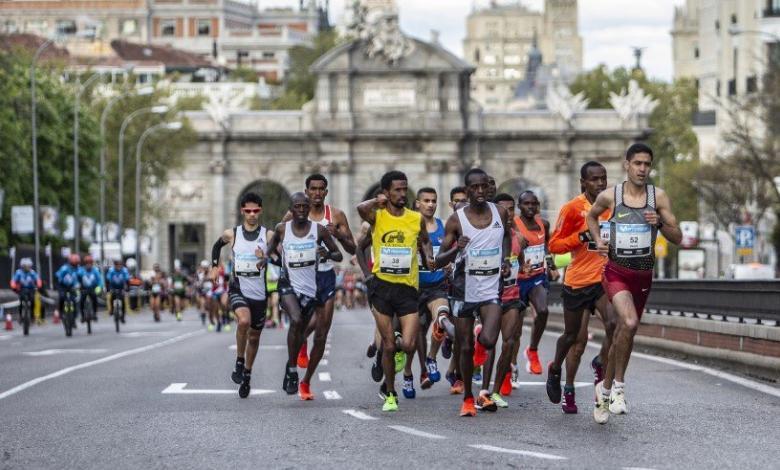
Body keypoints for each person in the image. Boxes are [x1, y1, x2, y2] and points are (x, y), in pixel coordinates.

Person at [586, 143, 682, 424]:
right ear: (626, 164)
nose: (642, 169)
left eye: (647, 165)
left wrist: (661, 225)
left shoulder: (658, 198)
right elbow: (591, 216)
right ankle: (618, 389)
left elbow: (678, 237)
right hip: (616, 272)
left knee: (625, 332)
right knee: (627, 323)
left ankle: (603, 390)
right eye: (637, 163)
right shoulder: (611, 195)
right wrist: (598, 240)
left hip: (643, 274)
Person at [436, 168, 513, 416]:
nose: (480, 191)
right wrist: (456, 249)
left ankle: (480, 340)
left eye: (484, 187)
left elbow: (506, 236)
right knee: (465, 346)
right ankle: (468, 397)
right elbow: (439, 260)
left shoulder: (499, 211)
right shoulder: (457, 220)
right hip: (463, 288)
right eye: (475, 188)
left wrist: (506, 259)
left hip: (491, 286)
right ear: (467, 190)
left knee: (489, 340)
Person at [357, 171, 434, 412]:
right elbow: (360, 209)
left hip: (408, 289)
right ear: (387, 192)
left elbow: (424, 240)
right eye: (397, 190)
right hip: (382, 287)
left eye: (405, 189)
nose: (402, 193)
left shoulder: (415, 218)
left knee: (409, 345)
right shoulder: (377, 216)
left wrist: (428, 256)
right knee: (389, 345)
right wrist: (375, 201)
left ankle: (393, 345)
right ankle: (390, 393)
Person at [546, 161, 616, 414]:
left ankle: (600, 363)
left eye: (603, 178)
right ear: (583, 183)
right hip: (577, 281)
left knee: (614, 324)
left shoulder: (613, 206)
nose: (600, 183)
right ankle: (563, 379)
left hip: (603, 278)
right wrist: (581, 237)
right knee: (575, 339)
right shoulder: (573, 209)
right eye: (594, 179)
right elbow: (554, 245)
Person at [265, 192, 343, 400]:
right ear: (290, 209)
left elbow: (338, 255)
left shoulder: (318, 230)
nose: (300, 210)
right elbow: (270, 249)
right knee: (297, 320)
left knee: (307, 330)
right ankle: (292, 369)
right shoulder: (282, 229)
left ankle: (297, 365)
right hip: (288, 285)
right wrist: (267, 259)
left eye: (304, 206)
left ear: (309, 209)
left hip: (312, 285)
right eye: (296, 206)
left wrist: (326, 254)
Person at [210, 192, 273, 398]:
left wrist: (266, 257)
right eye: (248, 211)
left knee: (254, 338)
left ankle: (247, 373)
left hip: (260, 294)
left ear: (260, 211)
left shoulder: (268, 235)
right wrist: (214, 267)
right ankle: (239, 360)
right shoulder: (233, 234)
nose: (252, 214)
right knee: (243, 321)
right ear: (242, 211)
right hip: (238, 289)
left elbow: (280, 258)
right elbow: (217, 245)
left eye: (255, 211)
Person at [295, 174, 356, 372]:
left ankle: (307, 381)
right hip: (303, 276)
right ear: (306, 192)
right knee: (306, 321)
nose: (317, 193)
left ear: (326, 192)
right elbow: (280, 238)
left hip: (325, 274)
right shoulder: (295, 215)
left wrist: (337, 234)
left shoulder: (336, 215)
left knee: (322, 331)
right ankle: (302, 341)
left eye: (321, 189)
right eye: (313, 189)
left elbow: (352, 249)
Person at [479, 193, 528, 408]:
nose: (509, 214)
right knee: (491, 344)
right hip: (491, 298)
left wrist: (522, 268)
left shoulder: (519, 238)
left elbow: (520, 260)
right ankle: (483, 390)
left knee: (508, 343)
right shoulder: (486, 236)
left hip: (512, 296)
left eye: (512, 208)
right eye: (504, 209)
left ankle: (496, 390)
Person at [409, 187, 452, 395]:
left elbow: (452, 252)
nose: (430, 204)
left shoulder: (444, 226)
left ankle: (431, 357)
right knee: (416, 334)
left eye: (433, 200)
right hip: (414, 288)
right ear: (417, 203)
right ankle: (417, 371)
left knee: (442, 318)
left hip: (437, 286)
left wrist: (450, 263)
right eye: (425, 200)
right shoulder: (409, 226)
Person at [515, 190, 559, 375]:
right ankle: (511, 369)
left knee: (542, 310)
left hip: (536, 277)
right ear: (519, 206)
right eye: (526, 203)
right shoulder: (513, 226)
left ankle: (532, 350)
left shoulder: (543, 224)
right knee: (514, 331)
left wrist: (552, 266)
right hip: (517, 280)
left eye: (534, 203)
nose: (531, 207)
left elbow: (545, 247)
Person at [11, 258, 42, 323]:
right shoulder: (19, 272)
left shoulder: (32, 272)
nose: (27, 268)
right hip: (22, 289)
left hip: (31, 289)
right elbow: (13, 280)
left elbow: (38, 279)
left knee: (33, 301)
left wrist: (39, 285)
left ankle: (32, 316)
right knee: (21, 302)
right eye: (25, 266)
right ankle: (20, 316)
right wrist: (13, 286)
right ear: (22, 266)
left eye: (28, 266)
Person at [55, 254, 83, 328]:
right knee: (61, 297)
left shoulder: (79, 269)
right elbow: (58, 276)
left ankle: (73, 319)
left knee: (74, 301)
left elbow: (81, 278)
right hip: (63, 286)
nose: (75, 265)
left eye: (76, 263)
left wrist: (80, 286)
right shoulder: (64, 268)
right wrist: (59, 283)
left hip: (73, 288)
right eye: (74, 264)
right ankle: (60, 312)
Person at [78, 255, 103, 323]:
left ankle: (94, 314)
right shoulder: (80, 271)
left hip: (93, 288)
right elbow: (76, 279)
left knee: (94, 298)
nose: (88, 265)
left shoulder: (95, 271)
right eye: (87, 263)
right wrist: (77, 286)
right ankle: (83, 316)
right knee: (81, 300)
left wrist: (99, 287)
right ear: (84, 263)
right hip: (83, 289)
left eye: (90, 263)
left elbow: (100, 280)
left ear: (92, 263)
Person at [105, 259, 130, 323]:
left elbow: (127, 280)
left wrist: (127, 289)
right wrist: (108, 289)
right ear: (114, 265)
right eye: (117, 265)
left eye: (120, 265)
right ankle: (112, 310)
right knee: (112, 298)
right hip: (113, 286)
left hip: (121, 287)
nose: (118, 266)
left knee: (123, 300)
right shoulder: (111, 270)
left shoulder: (124, 270)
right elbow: (107, 280)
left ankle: (123, 316)